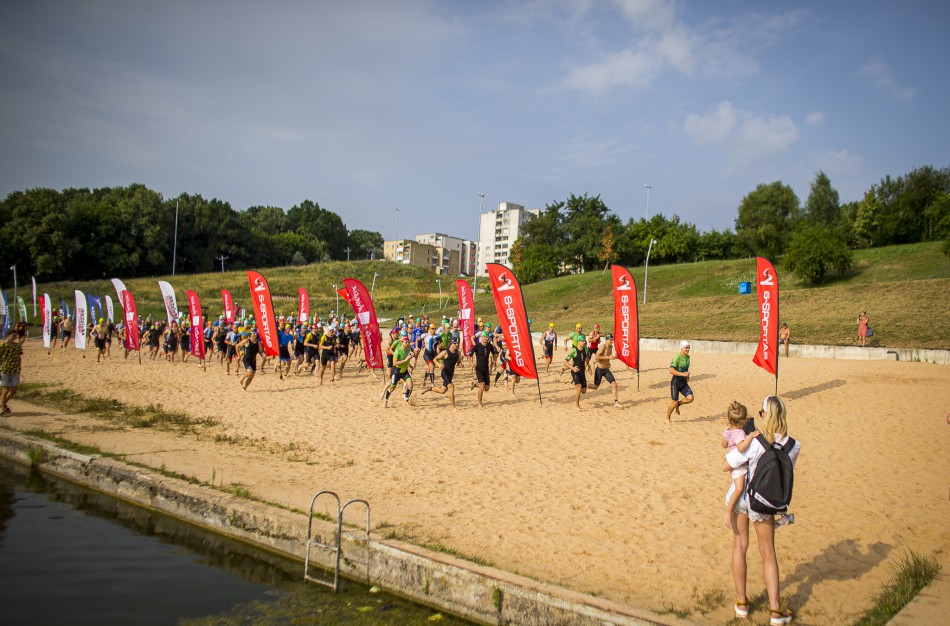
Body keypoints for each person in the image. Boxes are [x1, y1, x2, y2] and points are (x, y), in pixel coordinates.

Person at [723, 395, 800, 624]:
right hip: (764, 501)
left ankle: (742, 603)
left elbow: (728, 463)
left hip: (743, 498)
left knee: (739, 546)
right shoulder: (792, 446)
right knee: (768, 553)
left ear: (764, 416)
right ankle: (775, 611)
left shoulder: (755, 441)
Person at [721, 401, 759, 530]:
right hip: (739, 466)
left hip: (733, 462)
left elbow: (724, 444)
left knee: (739, 488)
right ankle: (729, 511)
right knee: (739, 489)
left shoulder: (727, 430)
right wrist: (750, 437)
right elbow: (741, 448)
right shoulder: (740, 433)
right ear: (742, 421)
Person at [420, 339, 461, 410]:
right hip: (444, 372)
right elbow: (435, 359)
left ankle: (430, 388)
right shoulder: (445, 352)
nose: (456, 345)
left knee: (442, 390)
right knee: (451, 386)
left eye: (457, 343)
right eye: (454, 343)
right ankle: (453, 407)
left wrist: (460, 359)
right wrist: (438, 364)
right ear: (451, 344)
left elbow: (458, 362)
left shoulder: (457, 353)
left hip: (450, 374)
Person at [586, 334, 622, 408]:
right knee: (595, 387)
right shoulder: (603, 347)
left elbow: (609, 357)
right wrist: (608, 357)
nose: (612, 341)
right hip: (599, 370)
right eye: (611, 340)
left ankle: (616, 402)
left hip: (606, 370)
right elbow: (596, 356)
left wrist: (615, 357)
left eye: (612, 339)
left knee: (614, 384)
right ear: (607, 340)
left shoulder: (611, 347)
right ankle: (584, 385)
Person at [467, 331, 498, 409]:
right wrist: (471, 363)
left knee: (486, 388)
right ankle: (479, 404)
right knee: (482, 385)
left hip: (486, 368)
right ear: (482, 337)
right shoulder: (477, 346)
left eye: (488, 337)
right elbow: (469, 355)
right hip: (479, 368)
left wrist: (494, 360)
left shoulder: (490, 346)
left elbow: (494, 354)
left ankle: (475, 384)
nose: (487, 339)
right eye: (486, 337)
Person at [383, 334, 414, 407]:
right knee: (392, 387)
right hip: (397, 371)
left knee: (410, 385)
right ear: (402, 342)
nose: (407, 343)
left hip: (404, 371)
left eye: (407, 342)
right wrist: (405, 360)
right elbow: (394, 363)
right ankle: (386, 400)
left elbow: (412, 356)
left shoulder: (408, 350)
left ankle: (406, 399)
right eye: (405, 342)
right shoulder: (398, 351)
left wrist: (412, 356)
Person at [667, 340, 694, 422]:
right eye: (686, 348)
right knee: (673, 402)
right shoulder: (677, 358)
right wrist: (682, 374)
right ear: (681, 348)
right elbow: (671, 371)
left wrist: (687, 376)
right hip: (676, 382)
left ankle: (679, 404)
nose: (688, 349)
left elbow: (686, 370)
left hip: (683, 382)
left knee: (690, 398)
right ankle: (667, 418)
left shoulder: (688, 358)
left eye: (689, 347)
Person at [0, 329, 23, 415]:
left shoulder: (17, 346)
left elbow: (19, 357)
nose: (15, 337)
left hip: (15, 369)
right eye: (14, 335)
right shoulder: (2, 346)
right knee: (5, 390)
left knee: (14, 390)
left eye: (16, 336)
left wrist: (19, 366)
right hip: (4, 369)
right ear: (8, 335)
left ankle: (3, 403)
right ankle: (2, 409)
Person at [564, 334, 590, 409]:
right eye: (582, 341)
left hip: (582, 372)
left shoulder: (586, 349)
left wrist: (589, 366)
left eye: (584, 340)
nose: (584, 342)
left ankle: (570, 380)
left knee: (584, 391)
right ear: (578, 342)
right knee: (579, 387)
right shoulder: (574, 350)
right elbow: (565, 361)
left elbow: (587, 358)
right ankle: (577, 405)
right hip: (575, 371)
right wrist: (572, 368)